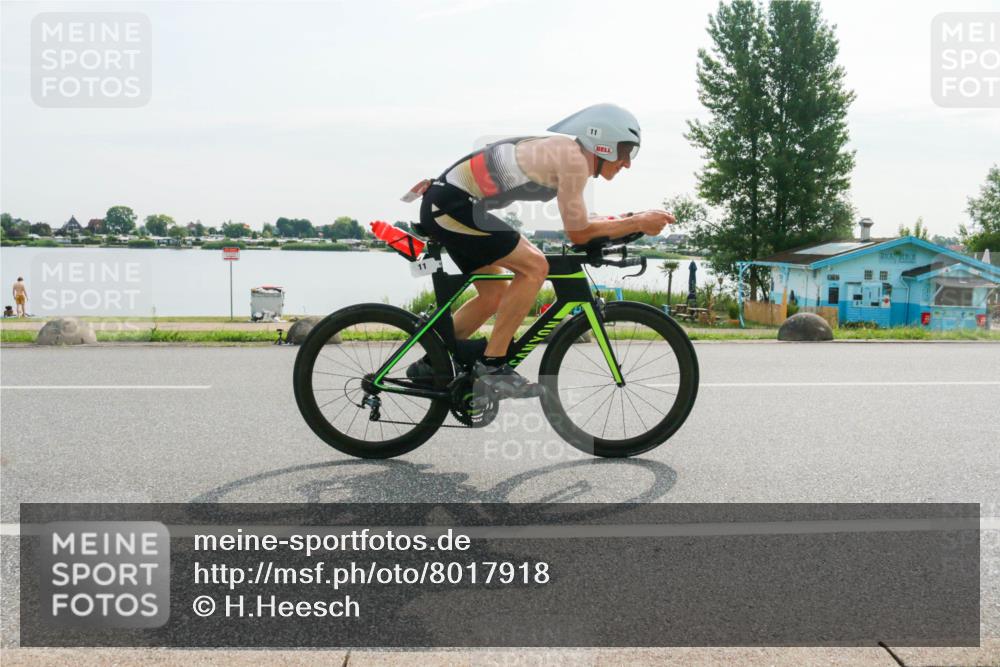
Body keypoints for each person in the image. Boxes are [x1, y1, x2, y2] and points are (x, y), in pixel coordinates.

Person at [410, 104, 674, 396]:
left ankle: (431, 362)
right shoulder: (573, 160)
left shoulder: (568, 155)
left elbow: (580, 223)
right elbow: (578, 232)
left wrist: (627, 221)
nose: (627, 163)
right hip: (454, 207)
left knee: (495, 294)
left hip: (455, 205)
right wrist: (637, 221)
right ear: (605, 143)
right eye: (626, 152)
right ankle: (492, 366)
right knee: (535, 266)